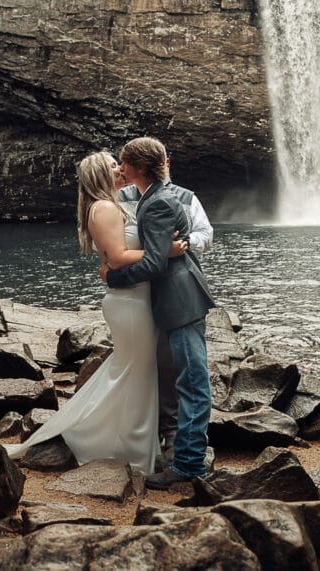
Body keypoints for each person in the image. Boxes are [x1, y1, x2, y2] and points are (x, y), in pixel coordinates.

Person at [5, 151, 187, 475]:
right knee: (135, 372)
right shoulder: (103, 208)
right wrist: (165, 251)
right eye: (113, 165)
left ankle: (131, 442)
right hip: (129, 303)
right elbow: (116, 258)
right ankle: (117, 445)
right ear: (101, 174)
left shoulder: (110, 205)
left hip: (134, 299)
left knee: (132, 372)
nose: (120, 169)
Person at [101, 137, 216, 489]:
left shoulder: (158, 203)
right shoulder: (153, 196)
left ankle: (189, 464)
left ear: (138, 166)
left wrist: (115, 276)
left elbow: (153, 261)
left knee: (192, 381)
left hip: (180, 300)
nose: (119, 168)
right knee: (189, 378)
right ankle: (184, 454)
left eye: (123, 162)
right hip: (174, 298)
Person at [117, 160, 213, 450]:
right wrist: (156, 250)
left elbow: (206, 235)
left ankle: (173, 434)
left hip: (167, 289)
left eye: (124, 164)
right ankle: (143, 425)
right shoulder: (119, 199)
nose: (120, 169)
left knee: (171, 361)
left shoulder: (184, 197)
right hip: (138, 291)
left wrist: (181, 243)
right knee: (137, 357)